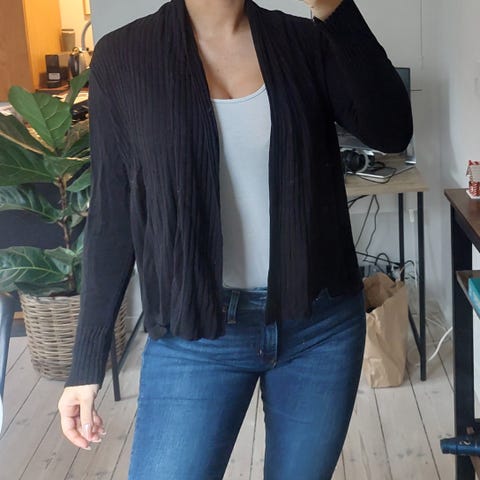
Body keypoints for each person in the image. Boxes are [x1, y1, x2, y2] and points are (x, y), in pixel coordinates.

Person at [58, 0, 413, 478]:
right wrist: (86, 360)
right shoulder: (124, 56)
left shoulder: (303, 43)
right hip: (196, 332)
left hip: (320, 326)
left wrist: (332, 7)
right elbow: (112, 213)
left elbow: (392, 131)